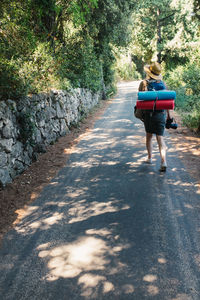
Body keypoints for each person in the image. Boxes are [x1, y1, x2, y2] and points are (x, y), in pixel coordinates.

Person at [138, 62, 171, 172]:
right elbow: (167, 102)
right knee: (160, 139)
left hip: (149, 115)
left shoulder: (144, 83)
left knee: (149, 137)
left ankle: (150, 158)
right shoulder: (163, 84)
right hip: (161, 115)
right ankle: (164, 162)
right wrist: (169, 116)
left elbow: (140, 99)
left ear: (149, 73)